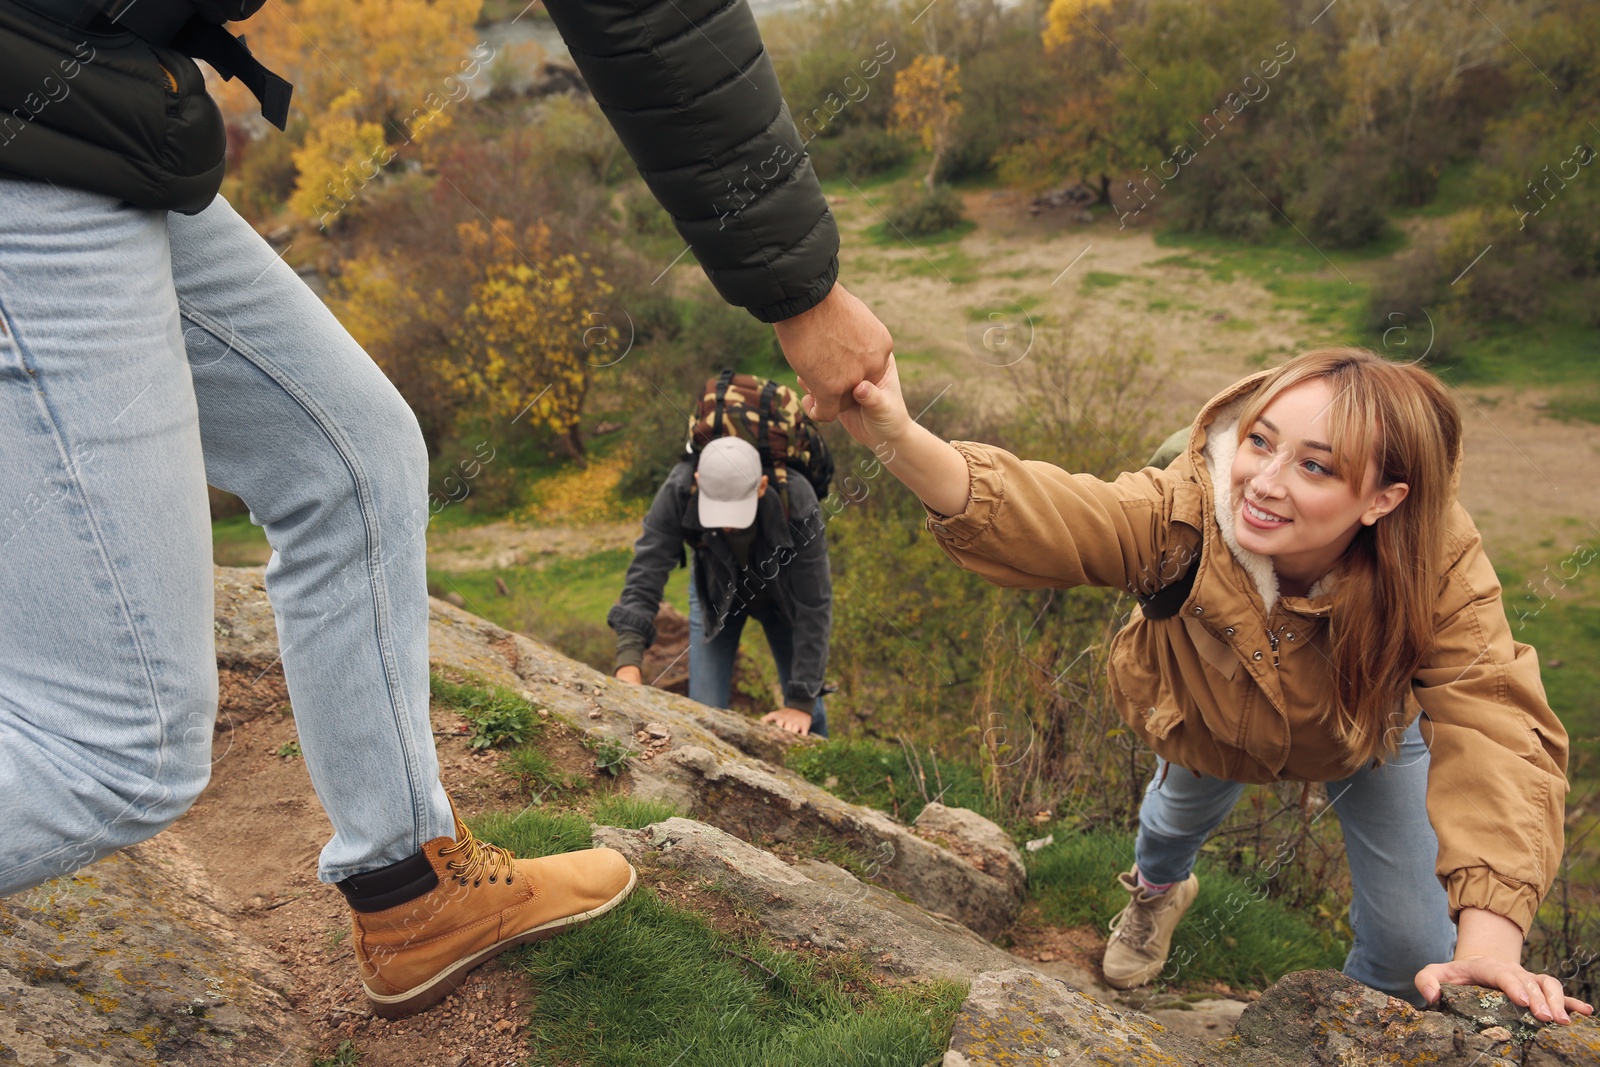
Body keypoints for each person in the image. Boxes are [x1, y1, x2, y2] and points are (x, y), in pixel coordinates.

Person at [0, 0, 888, 1019]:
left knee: (348, 455)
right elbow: (651, 564)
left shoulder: (794, 506)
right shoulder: (685, 489)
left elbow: (806, 605)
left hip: (97, 98)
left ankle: (407, 892)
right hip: (37, 116)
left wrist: (804, 693)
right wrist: (800, 292)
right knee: (120, 748)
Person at [826, 347, 1594, 1024]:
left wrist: (1491, 939)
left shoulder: (1437, 559)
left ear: (1384, 497)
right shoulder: (1189, 511)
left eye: (1316, 465)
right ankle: (1157, 893)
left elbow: (1497, 717)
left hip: (1365, 734)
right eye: (1260, 440)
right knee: (1166, 832)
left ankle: (1334, 1040)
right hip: (1208, 717)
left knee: (1412, 947)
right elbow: (1059, 514)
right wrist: (897, 433)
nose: (1263, 480)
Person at [609, 436, 831, 736]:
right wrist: (628, 659)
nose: (727, 525)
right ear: (698, 482)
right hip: (716, 595)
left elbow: (814, 602)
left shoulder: (798, 499)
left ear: (762, 486)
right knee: (705, 713)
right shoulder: (679, 490)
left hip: (783, 600)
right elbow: (646, 571)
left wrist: (801, 701)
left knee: (809, 714)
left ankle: (823, 777)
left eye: (737, 510)